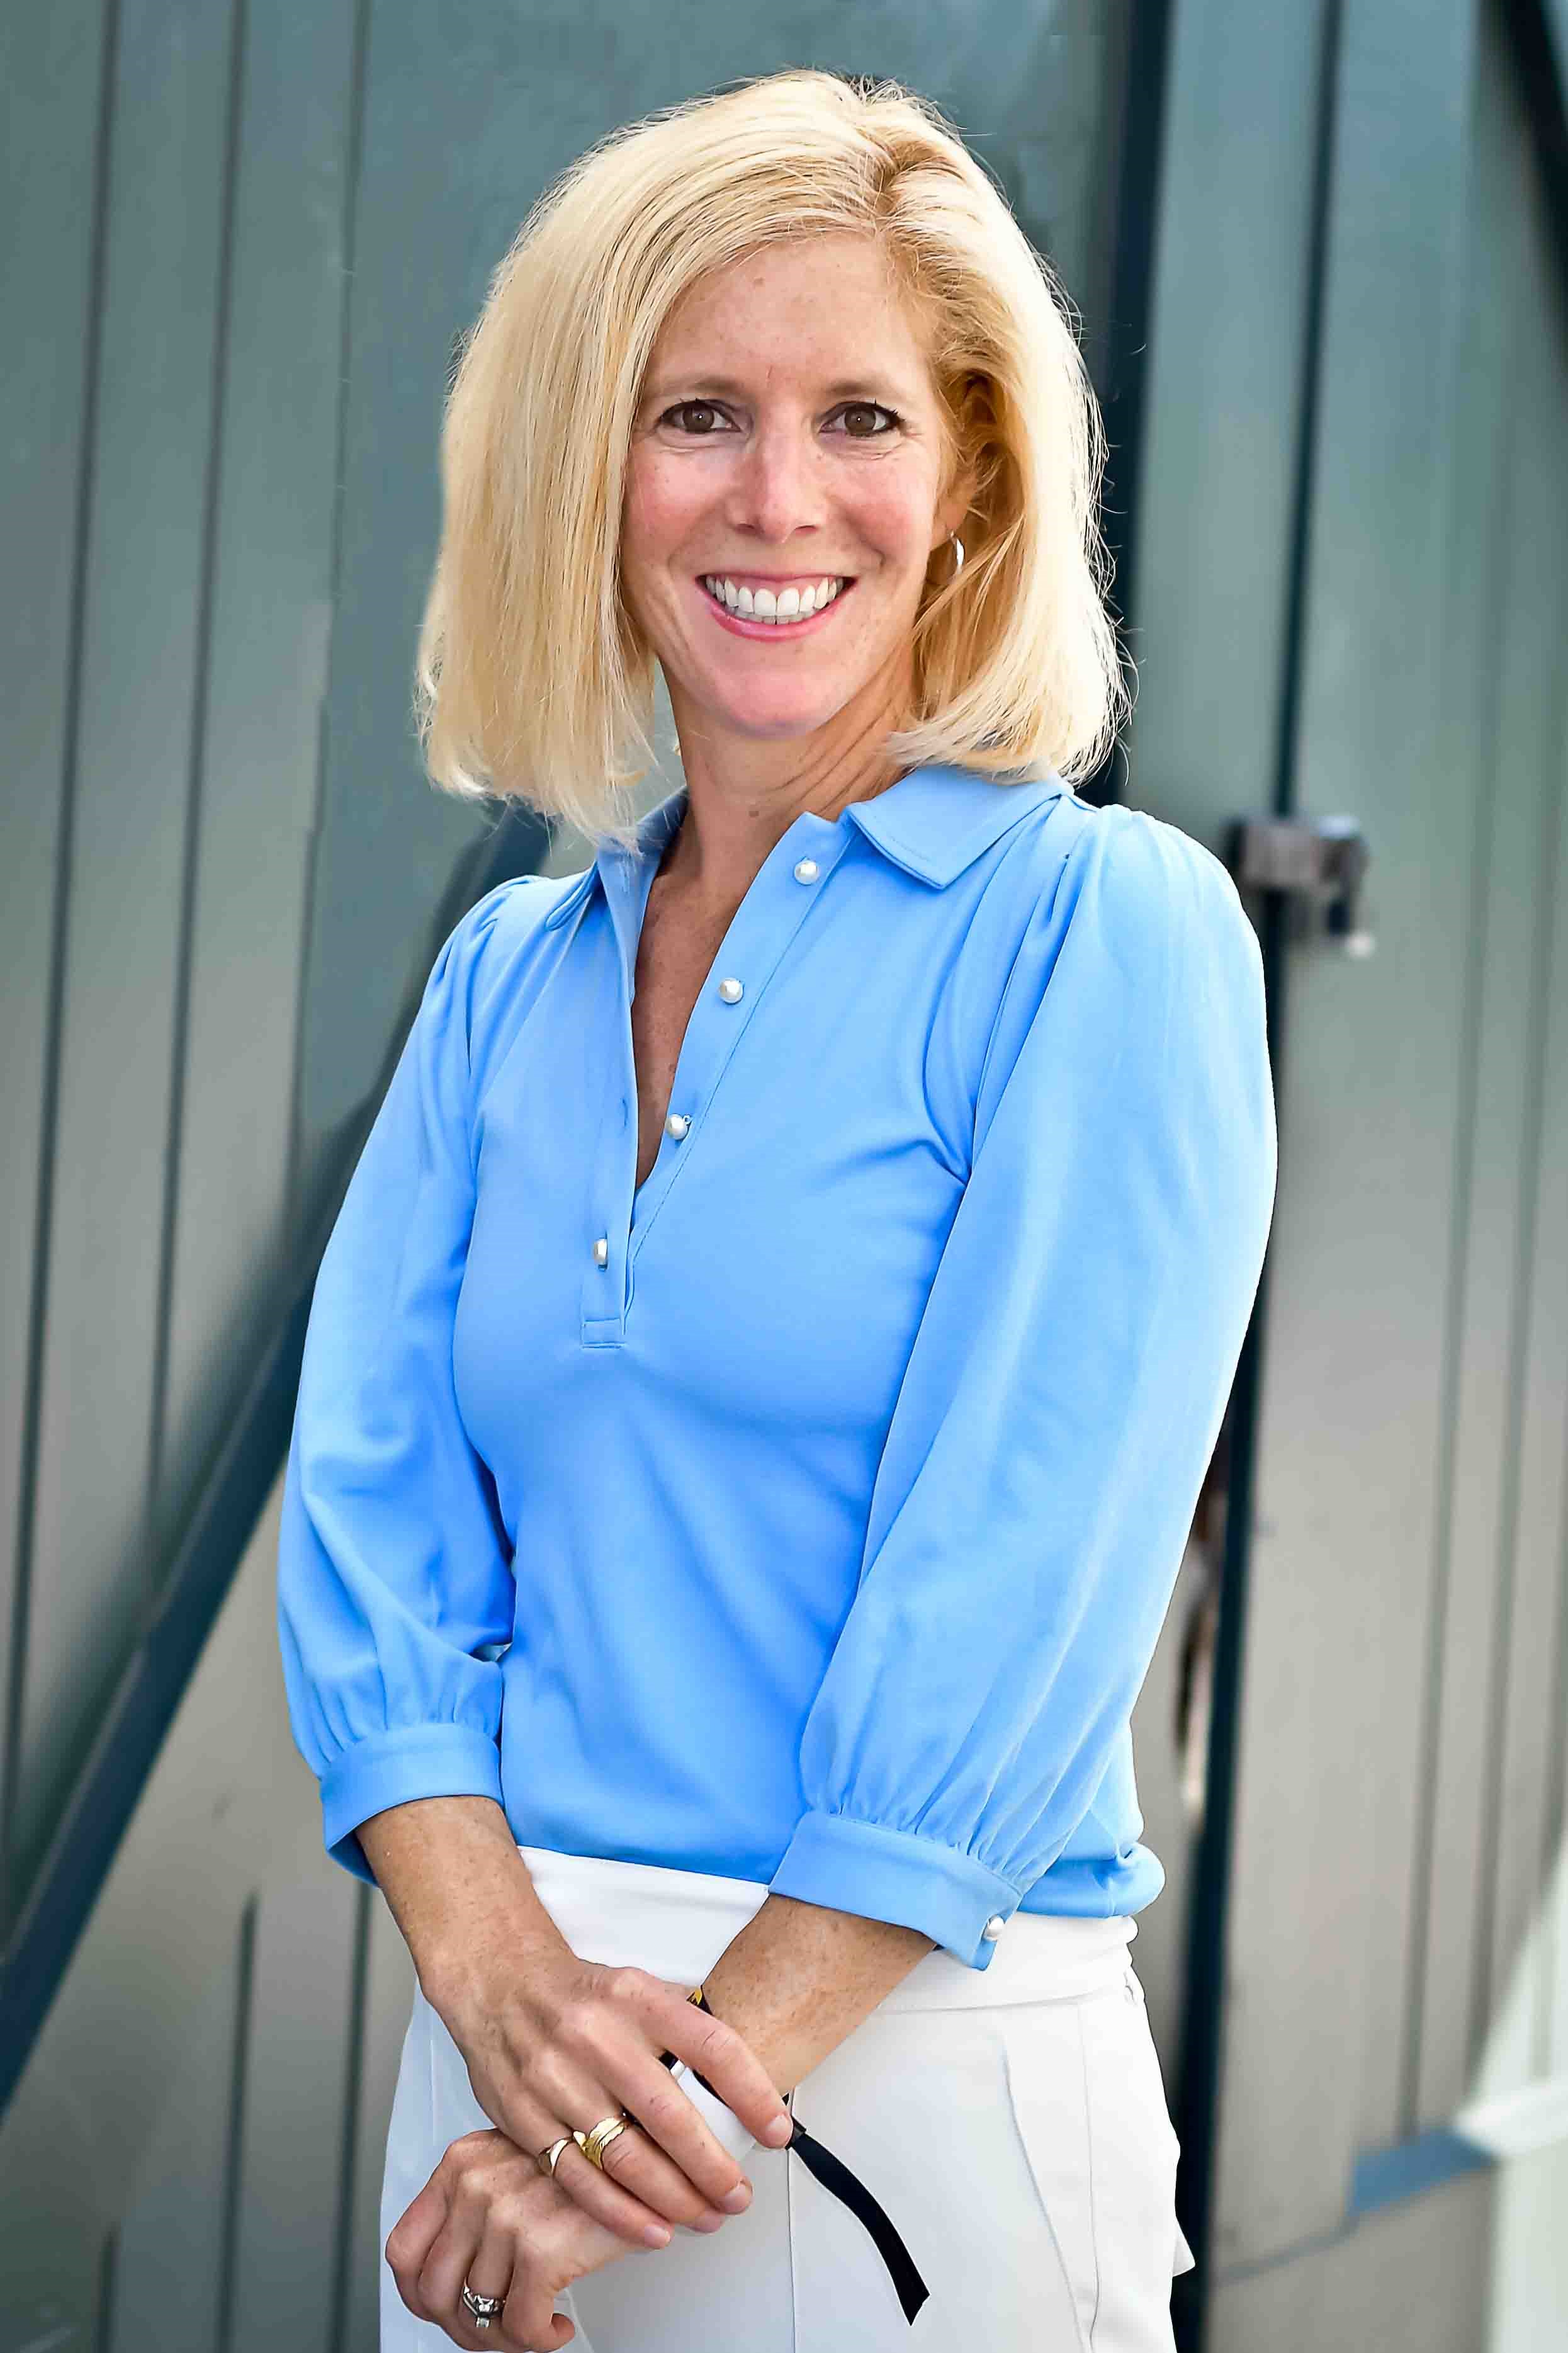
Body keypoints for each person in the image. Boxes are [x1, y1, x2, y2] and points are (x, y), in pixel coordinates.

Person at [276, 65, 1277, 2353]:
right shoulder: (506, 978)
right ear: (586, 472)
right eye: (697, 414)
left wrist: (633, 2125)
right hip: (503, 2080)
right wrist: (504, 1991)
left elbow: (1019, 1589)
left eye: (860, 421)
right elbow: (369, 1527)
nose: (778, 498)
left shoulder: (1100, 937)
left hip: (882, 2081)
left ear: (971, 487)